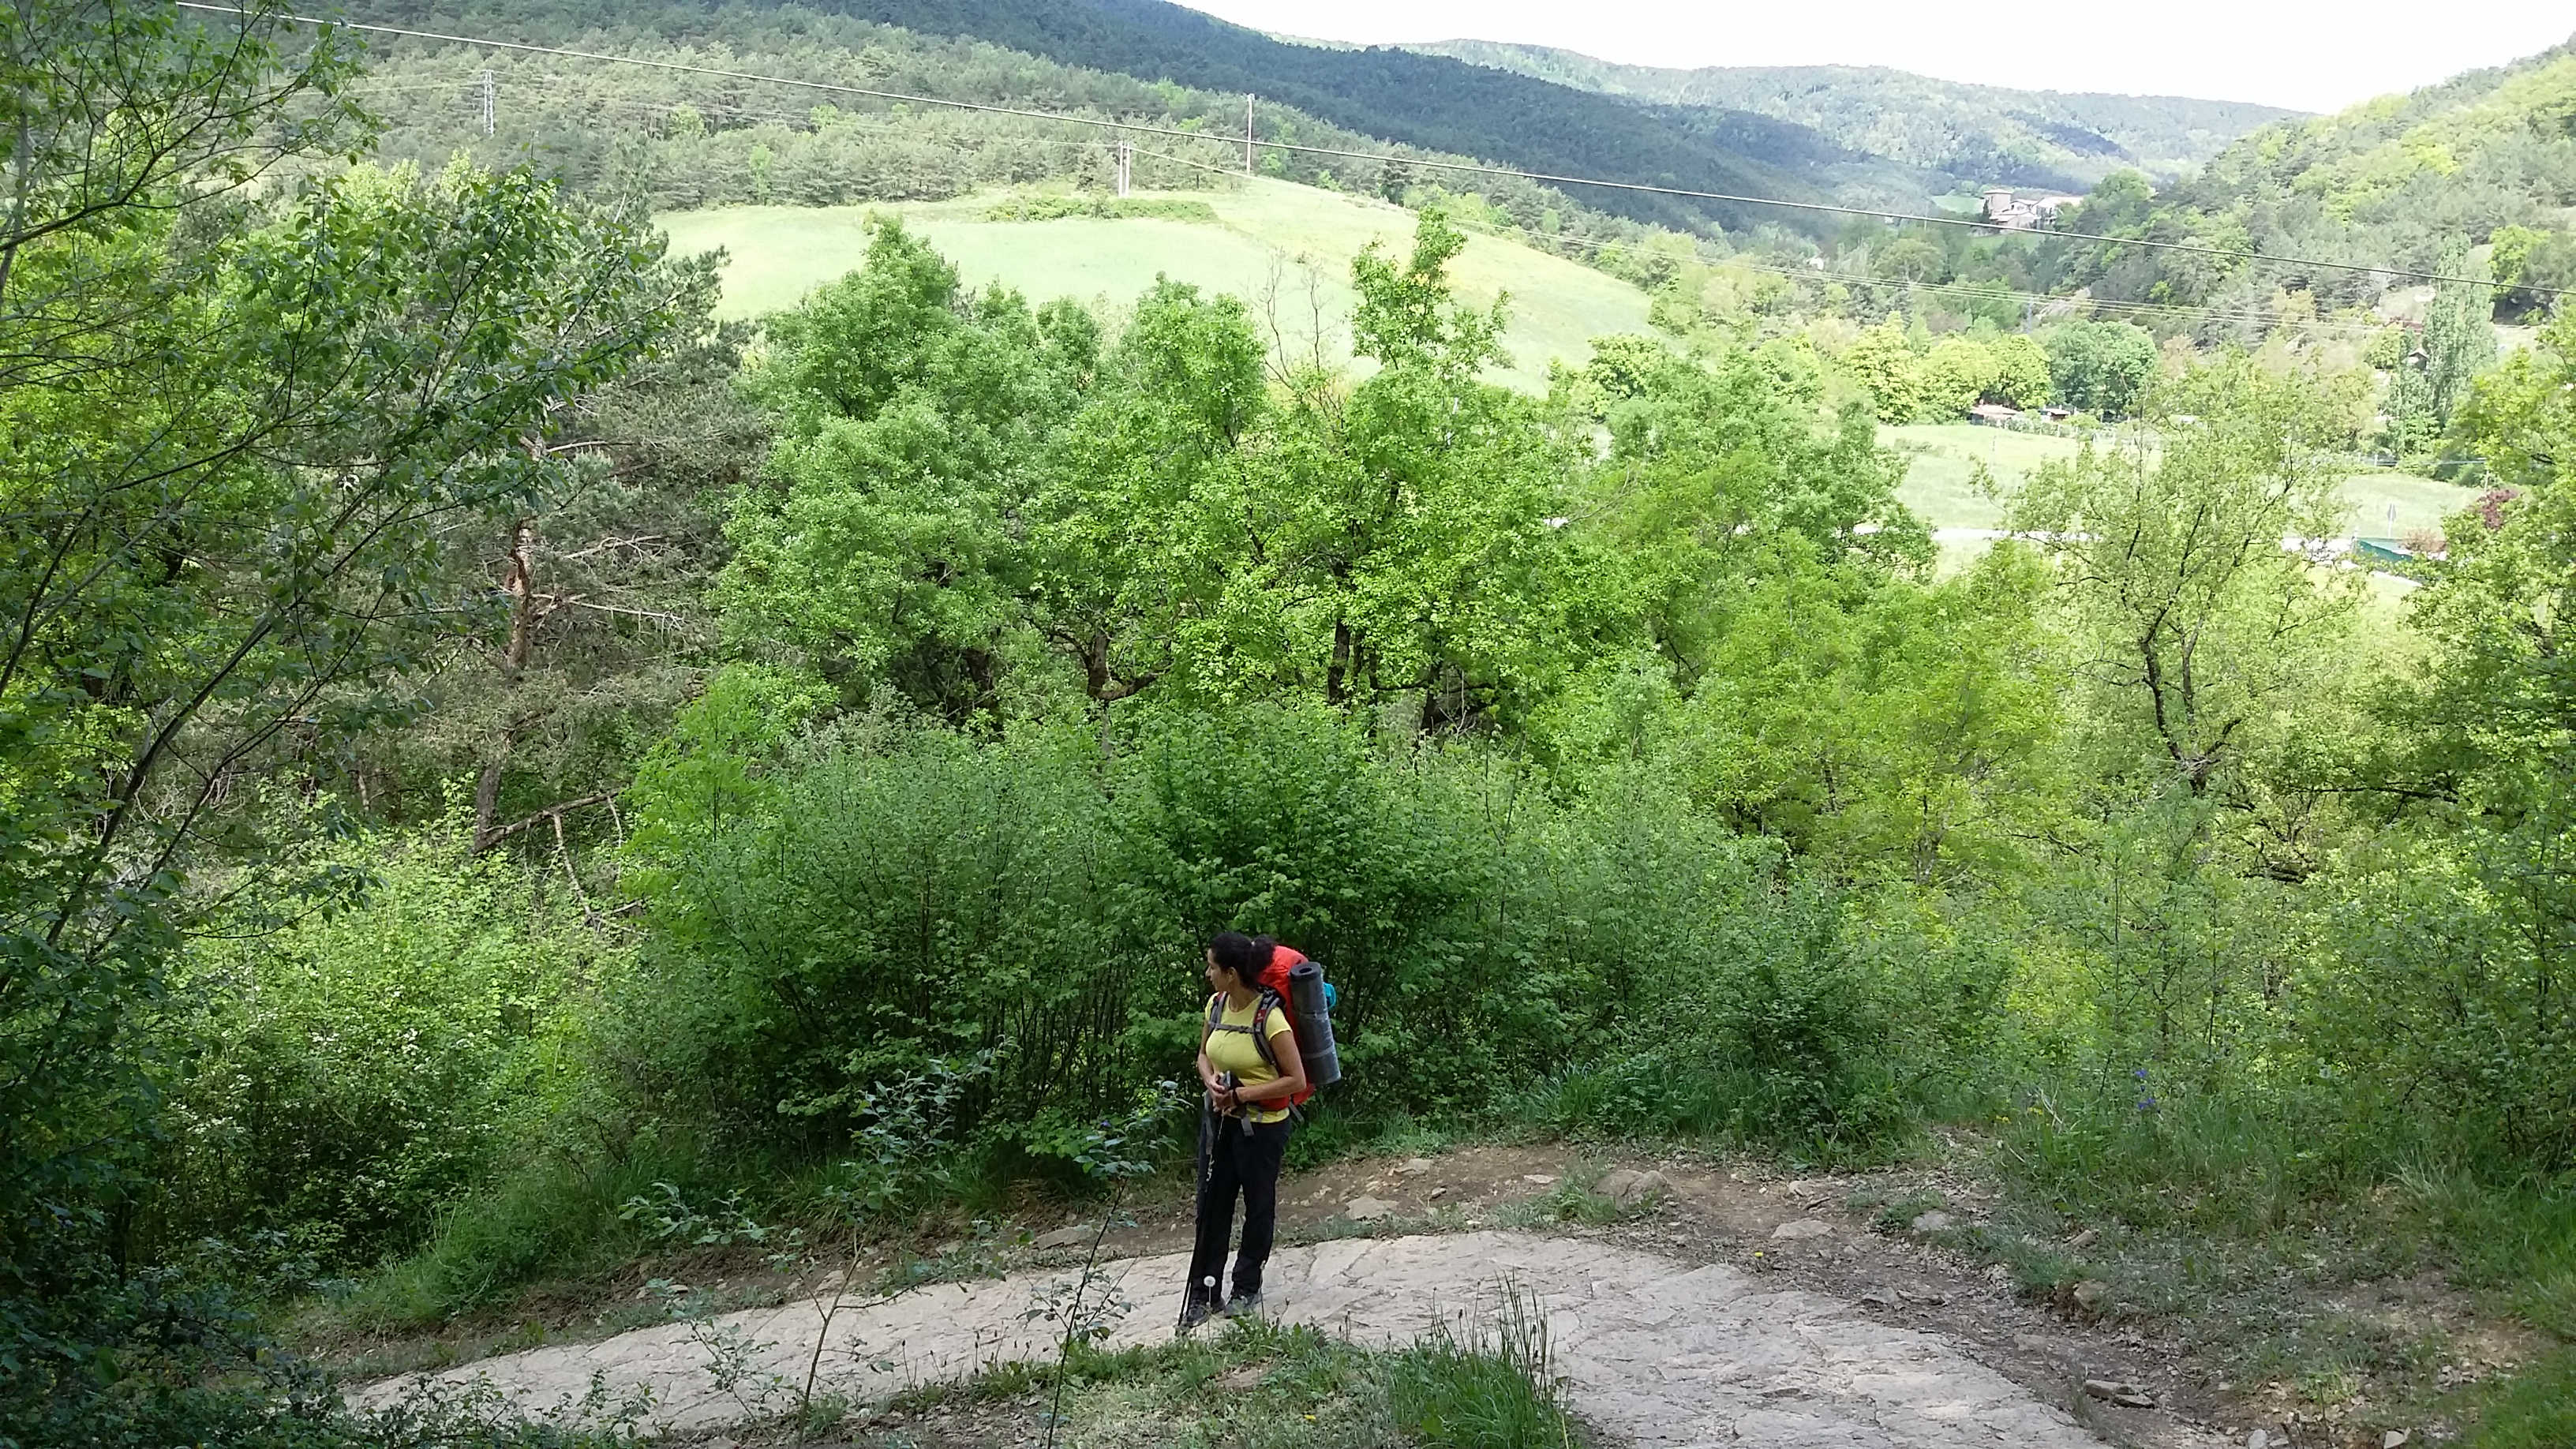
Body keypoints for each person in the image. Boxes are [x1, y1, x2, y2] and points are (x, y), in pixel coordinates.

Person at [1178, 930, 1307, 1331]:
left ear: (1231, 973)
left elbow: (1296, 1080)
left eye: (1212, 967)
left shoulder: (1270, 1018)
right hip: (1220, 1123)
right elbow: (1203, 1055)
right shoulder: (1215, 1006)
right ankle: (1203, 1293)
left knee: (1257, 1206)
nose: (1207, 973)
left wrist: (1243, 1094)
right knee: (1211, 1206)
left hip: (1264, 1129)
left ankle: (1246, 1287)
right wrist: (1211, 1083)